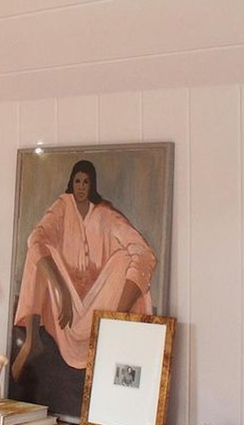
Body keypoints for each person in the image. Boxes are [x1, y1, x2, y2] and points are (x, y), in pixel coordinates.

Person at [11, 159, 157, 382]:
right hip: (64, 305)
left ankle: (115, 329)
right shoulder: (62, 206)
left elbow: (145, 254)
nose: (80, 186)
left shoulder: (106, 213)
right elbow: (36, 239)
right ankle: (32, 341)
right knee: (38, 248)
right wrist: (62, 290)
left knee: (126, 257)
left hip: (99, 305)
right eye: (77, 181)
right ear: (71, 182)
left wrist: (117, 316)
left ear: (92, 185)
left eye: (86, 182)